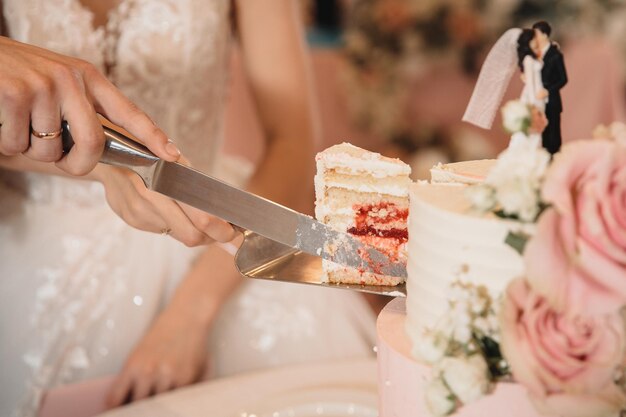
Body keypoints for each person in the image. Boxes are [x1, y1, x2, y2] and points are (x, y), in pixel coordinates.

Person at [0, 2, 376, 417]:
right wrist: (105, 170)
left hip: (214, 232)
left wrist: (192, 314)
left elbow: (292, 143)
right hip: (33, 250)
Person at [0, 36, 235, 245]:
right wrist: (110, 168)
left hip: (207, 224)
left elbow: (275, 135)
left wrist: (205, 293)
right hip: (40, 237)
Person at [532, 20, 568, 154]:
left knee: (553, 131)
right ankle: (545, 156)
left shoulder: (556, 55)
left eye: (536, 34)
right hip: (538, 99)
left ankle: (554, 156)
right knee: (543, 130)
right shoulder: (535, 54)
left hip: (551, 100)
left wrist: (548, 90)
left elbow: (563, 79)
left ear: (544, 35)